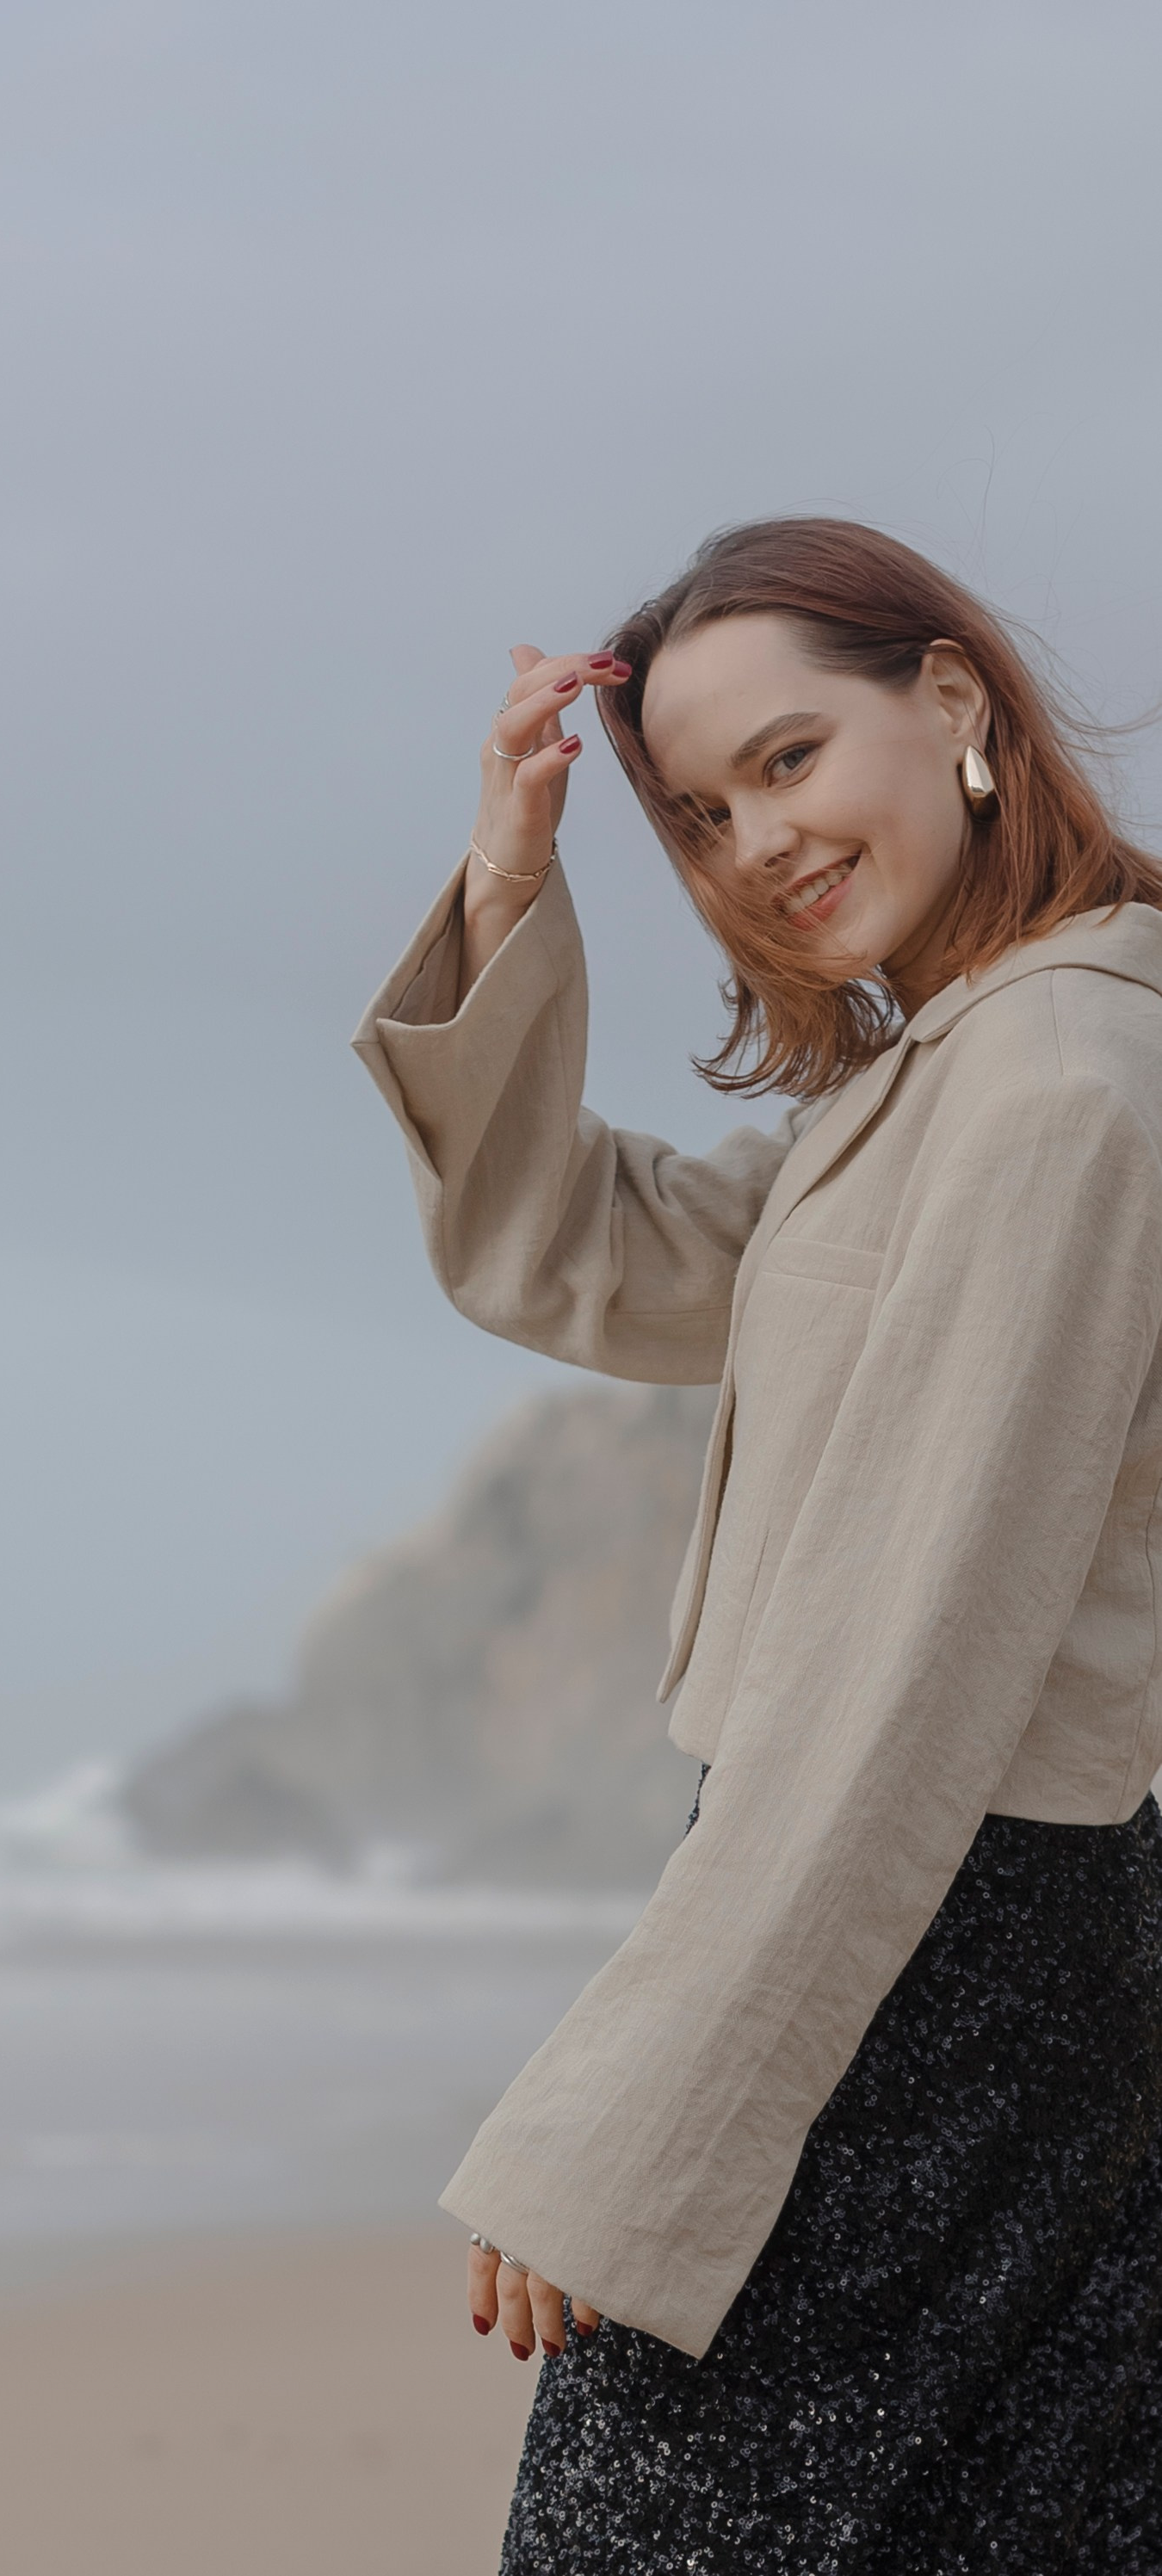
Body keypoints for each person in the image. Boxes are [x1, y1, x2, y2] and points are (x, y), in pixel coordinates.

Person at [352, 517, 1162, 2572]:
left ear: (954, 703)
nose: (755, 847)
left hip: (922, 1965)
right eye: (698, 817)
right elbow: (586, 1255)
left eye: (789, 760)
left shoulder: (1054, 1086)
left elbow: (896, 1679)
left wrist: (623, 2134)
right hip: (963, 1954)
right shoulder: (952, 1070)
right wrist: (511, 893)